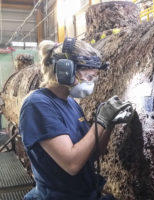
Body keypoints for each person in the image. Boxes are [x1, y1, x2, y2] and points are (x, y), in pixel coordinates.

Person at [19, 38, 132, 200]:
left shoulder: (71, 103)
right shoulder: (37, 105)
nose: (91, 83)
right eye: (88, 76)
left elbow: (92, 154)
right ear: (66, 70)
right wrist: (100, 121)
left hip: (83, 193)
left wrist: (109, 123)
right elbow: (72, 164)